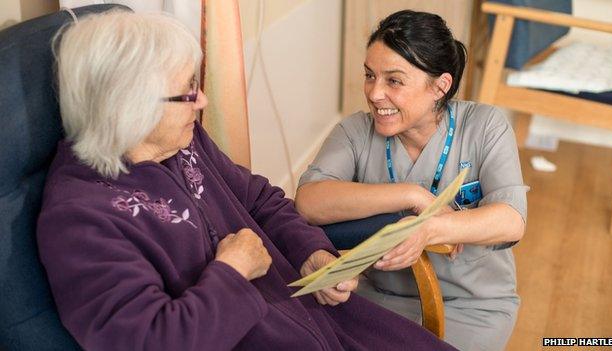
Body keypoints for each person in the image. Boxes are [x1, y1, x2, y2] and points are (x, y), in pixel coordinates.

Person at [36, 10, 457, 351]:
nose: (201, 101)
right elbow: (151, 340)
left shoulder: (180, 140)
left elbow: (260, 200)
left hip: (317, 315)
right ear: (129, 108)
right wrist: (233, 272)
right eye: (187, 92)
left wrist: (311, 252)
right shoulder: (81, 218)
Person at [295, 10, 528, 351]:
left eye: (393, 81)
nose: (374, 94)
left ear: (440, 86)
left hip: (471, 306)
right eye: (369, 75)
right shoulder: (355, 132)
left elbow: (511, 220)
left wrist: (429, 229)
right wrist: (412, 195)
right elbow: (309, 202)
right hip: (377, 300)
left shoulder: (484, 126)